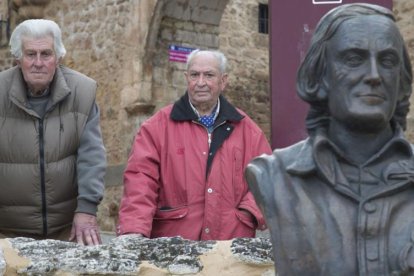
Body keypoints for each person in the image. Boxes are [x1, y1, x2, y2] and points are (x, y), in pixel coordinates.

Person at [245, 3, 414, 275]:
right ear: (320, 75)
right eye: (353, 59)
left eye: (387, 61)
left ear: (401, 80)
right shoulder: (273, 177)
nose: (373, 75)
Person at [117, 49, 271, 240]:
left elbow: (267, 179)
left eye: (209, 75)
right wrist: (134, 230)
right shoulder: (156, 128)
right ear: (186, 78)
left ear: (223, 81)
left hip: (231, 246)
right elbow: (140, 180)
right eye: (194, 75)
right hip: (174, 247)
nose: (200, 83)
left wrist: (247, 214)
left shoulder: (248, 131)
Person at [0, 19, 106, 245]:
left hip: (66, 230)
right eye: (31, 54)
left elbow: (91, 156)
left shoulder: (82, 92)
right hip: (6, 229)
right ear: (18, 58)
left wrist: (87, 210)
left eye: (46, 54)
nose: (38, 62)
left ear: (58, 57)